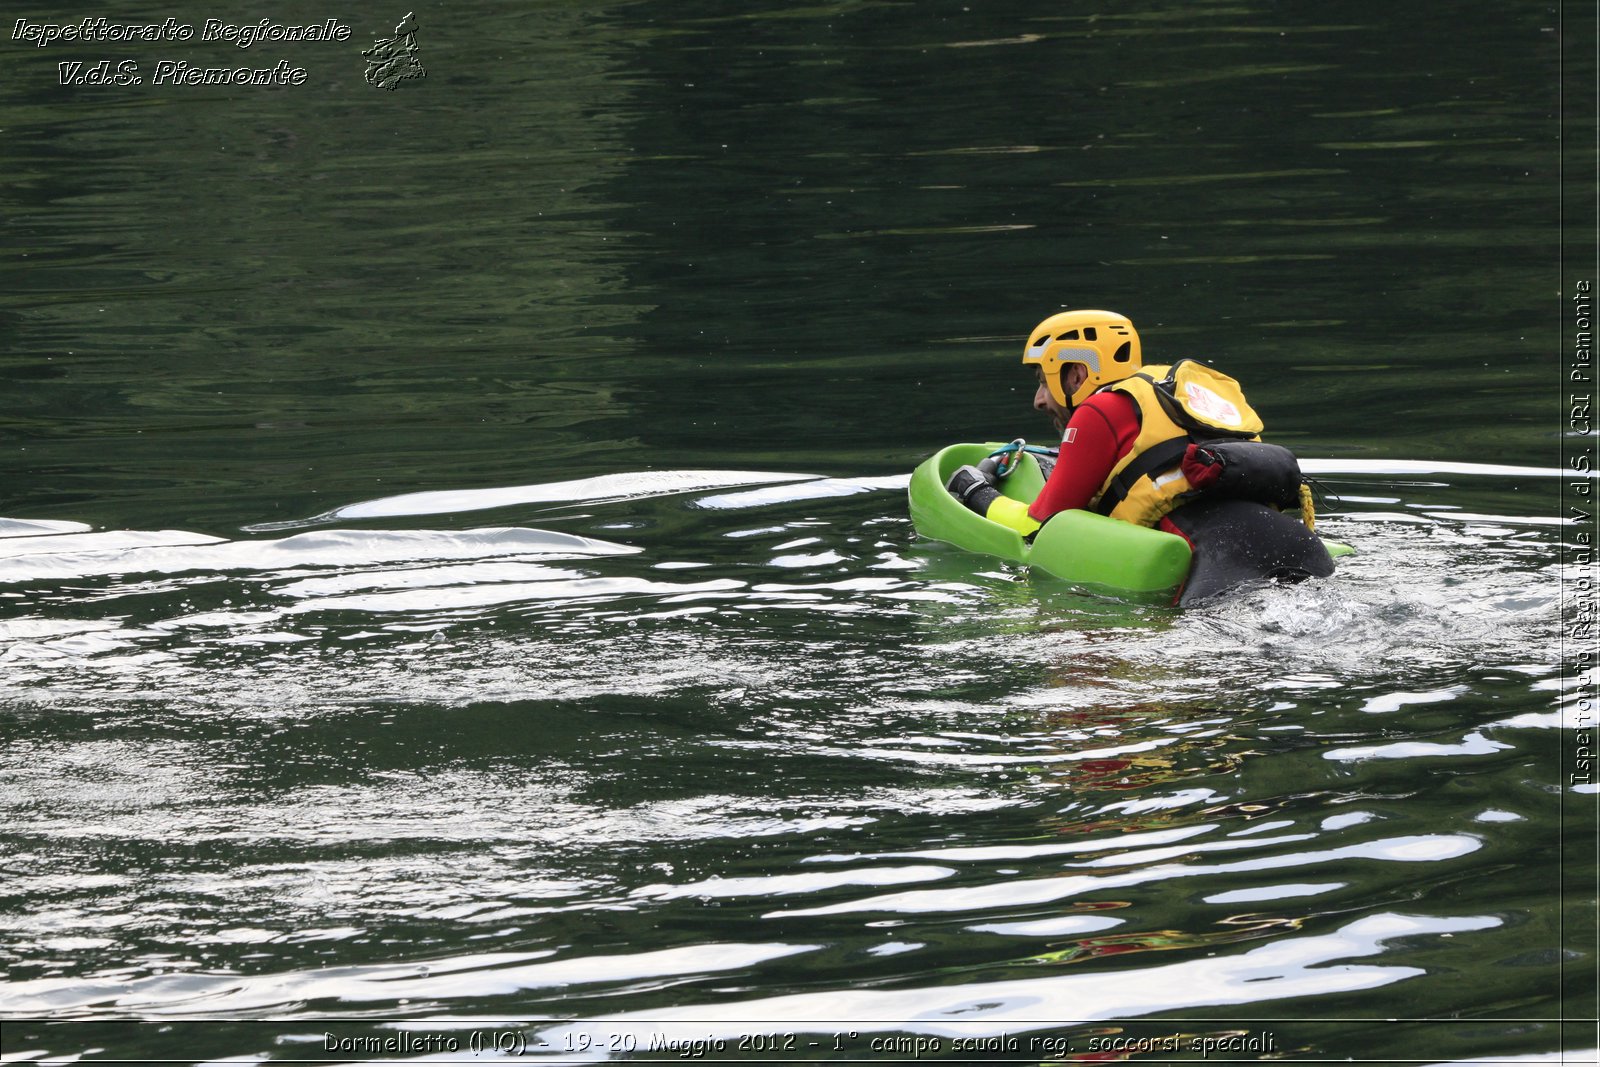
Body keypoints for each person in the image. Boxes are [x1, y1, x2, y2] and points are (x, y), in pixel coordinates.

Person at [946, 309, 1334, 604]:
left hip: (1224, 560)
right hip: (1300, 544)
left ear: (1077, 374)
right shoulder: (1178, 400)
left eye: (1043, 381)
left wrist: (976, 492)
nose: (1039, 400)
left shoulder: (1099, 412)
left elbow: (1040, 524)